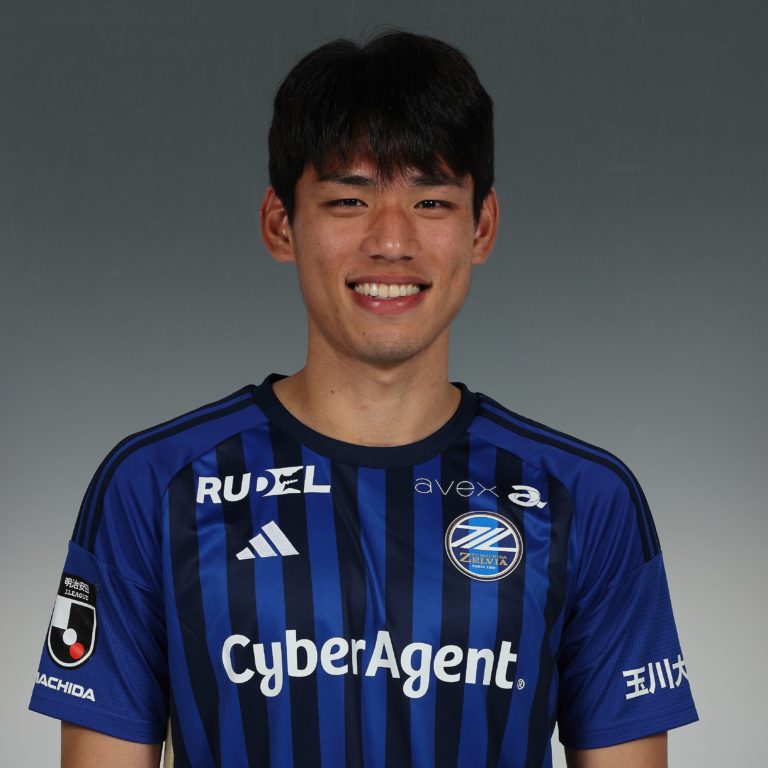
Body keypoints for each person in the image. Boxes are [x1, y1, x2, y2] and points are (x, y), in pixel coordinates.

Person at [29, 31, 697, 768]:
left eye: (431, 200)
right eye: (348, 199)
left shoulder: (586, 498)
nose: (391, 241)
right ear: (281, 224)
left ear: (481, 228)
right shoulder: (151, 486)